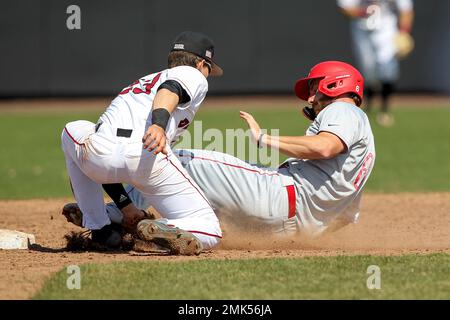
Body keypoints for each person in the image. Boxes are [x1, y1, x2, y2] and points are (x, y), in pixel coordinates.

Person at [64, 61, 376, 241]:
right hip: (285, 227)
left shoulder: (344, 111)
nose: (310, 100)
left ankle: (112, 214)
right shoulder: (365, 155)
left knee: (182, 159)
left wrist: (265, 138)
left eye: (314, 89)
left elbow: (324, 146)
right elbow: (348, 216)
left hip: (279, 195)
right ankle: (171, 229)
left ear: (335, 85)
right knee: (208, 197)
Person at [61, 31, 224, 255]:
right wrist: (158, 124)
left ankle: (100, 229)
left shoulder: (141, 84)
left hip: (97, 155)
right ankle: (164, 227)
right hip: (147, 156)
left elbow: (111, 163)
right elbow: (171, 89)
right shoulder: (191, 73)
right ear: (200, 62)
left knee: (72, 129)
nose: (207, 75)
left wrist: (126, 207)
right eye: (208, 68)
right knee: (210, 227)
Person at [337, 0, 414, 126]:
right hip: (362, 27)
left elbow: (406, 10)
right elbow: (345, 9)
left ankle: (385, 110)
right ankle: (368, 107)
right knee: (368, 70)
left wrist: (404, 32)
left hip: (386, 27)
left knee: (388, 68)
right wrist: (364, 11)